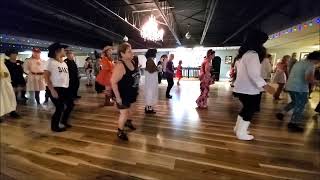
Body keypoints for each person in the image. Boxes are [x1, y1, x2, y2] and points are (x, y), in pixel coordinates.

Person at [233, 29, 275, 141]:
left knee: (246, 109)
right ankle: (241, 132)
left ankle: (238, 129)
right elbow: (254, 74)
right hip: (249, 89)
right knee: (249, 110)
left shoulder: (244, 55)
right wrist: (266, 86)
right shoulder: (252, 54)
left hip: (242, 88)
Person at [276, 51, 320, 132]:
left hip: (290, 86)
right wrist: (317, 82)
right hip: (300, 88)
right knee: (300, 106)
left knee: (295, 102)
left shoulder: (300, 62)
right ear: (317, 59)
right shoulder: (311, 65)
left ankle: (282, 113)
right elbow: (308, 79)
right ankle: (293, 123)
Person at [111, 42, 139, 141]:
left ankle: (128, 122)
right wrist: (118, 98)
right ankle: (120, 131)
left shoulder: (132, 62)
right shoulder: (120, 66)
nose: (132, 53)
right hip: (122, 94)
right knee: (124, 113)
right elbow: (113, 82)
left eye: (131, 50)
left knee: (131, 110)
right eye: (129, 51)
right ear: (122, 54)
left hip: (131, 92)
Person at [44, 42, 74, 132]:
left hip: (65, 88)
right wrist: (52, 90)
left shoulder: (63, 63)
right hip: (55, 88)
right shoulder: (50, 62)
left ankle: (63, 121)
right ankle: (55, 126)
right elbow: (46, 76)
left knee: (70, 105)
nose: (64, 51)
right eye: (63, 49)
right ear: (57, 51)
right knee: (60, 107)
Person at [144, 49, 158, 114]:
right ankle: (149, 109)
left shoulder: (149, 60)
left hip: (150, 81)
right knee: (150, 93)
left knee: (149, 93)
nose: (156, 54)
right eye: (155, 53)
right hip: (151, 81)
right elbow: (150, 71)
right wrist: (157, 69)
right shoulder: (150, 60)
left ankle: (148, 107)